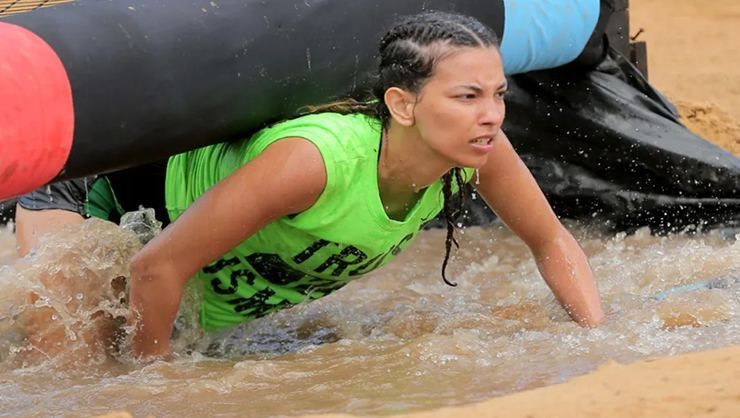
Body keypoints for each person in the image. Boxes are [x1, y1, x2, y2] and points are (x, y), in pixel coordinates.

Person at [15, 11, 604, 360]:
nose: (492, 115)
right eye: (467, 96)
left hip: (173, 265)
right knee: (71, 380)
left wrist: (597, 339)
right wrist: (157, 384)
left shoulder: (478, 152)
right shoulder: (314, 162)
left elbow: (550, 241)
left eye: (498, 94)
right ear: (401, 104)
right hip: (93, 196)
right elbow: (153, 268)